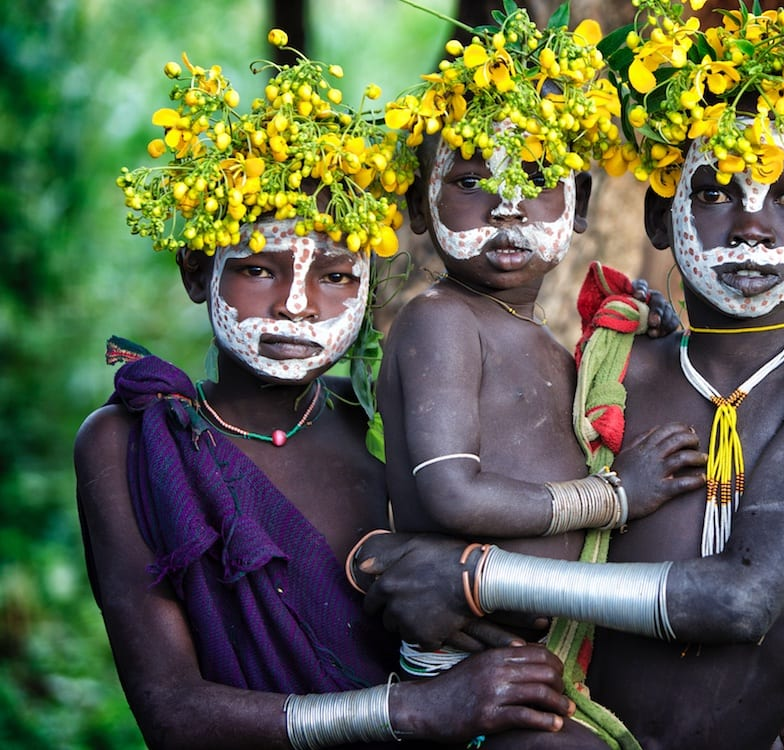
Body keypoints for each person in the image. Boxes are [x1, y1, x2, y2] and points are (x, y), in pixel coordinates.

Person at [353, 4, 784, 748]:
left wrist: (471, 577)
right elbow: (496, 504)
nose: (752, 223)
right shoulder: (611, 365)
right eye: (715, 191)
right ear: (662, 220)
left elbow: (741, 602)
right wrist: (401, 565)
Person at [74, 32, 575, 750]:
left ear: (368, 285)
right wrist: (413, 710)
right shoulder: (129, 442)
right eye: (259, 269)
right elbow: (173, 712)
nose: (299, 306)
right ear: (195, 273)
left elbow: (505, 605)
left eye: (336, 275)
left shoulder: (380, 416)